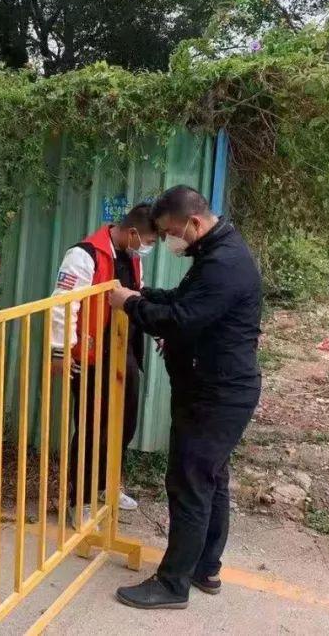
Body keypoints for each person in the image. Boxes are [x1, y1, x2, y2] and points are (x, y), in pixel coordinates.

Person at [109, 185, 261, 610]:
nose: (169, 241)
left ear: (193, 223)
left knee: (189, 482)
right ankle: (205, 568)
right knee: (210, 478)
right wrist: (144, 295)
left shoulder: (223, 263)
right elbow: (184, 302)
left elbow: (179, 319)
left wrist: (130, 306)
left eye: (171, 233)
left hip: (215, 393)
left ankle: (172, 584)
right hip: (216, 386)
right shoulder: (216, 253)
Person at [50, 203, 158, 520]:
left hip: (126, 355)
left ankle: (107, 486)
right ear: (133, 232)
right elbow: (63, 305)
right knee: (91, 430)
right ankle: (79, 501)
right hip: (92, 357)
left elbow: (138, 298)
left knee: (124, 426)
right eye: (149, 241)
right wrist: (60, 351)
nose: (149, 247)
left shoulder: (132, 258)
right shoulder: (84, 255)